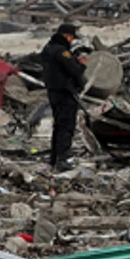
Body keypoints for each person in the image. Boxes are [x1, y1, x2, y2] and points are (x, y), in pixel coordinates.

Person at [35, 22, 89, 171]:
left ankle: (54, 158)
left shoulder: (48, 48)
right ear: (67, 36)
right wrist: (82, 64)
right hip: (65, 92)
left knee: (58, 125)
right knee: (66, 126)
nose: (72, 41)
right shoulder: (62, 51)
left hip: (53, 92)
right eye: (71, 38)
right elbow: (75, 70)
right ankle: (63, 160)